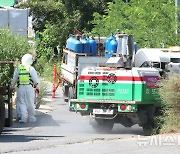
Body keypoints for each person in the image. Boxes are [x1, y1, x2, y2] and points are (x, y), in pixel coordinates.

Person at [11, 54, 40, 123]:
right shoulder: (31, 69)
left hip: (20, 87)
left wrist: (12, 87)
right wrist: (38, 87)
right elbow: (35, 80)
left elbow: (14, 79)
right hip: (29, 87)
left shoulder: (18, 68)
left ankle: (23, 118)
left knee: (22, 103)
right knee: (30, 102)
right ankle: (31, 117)